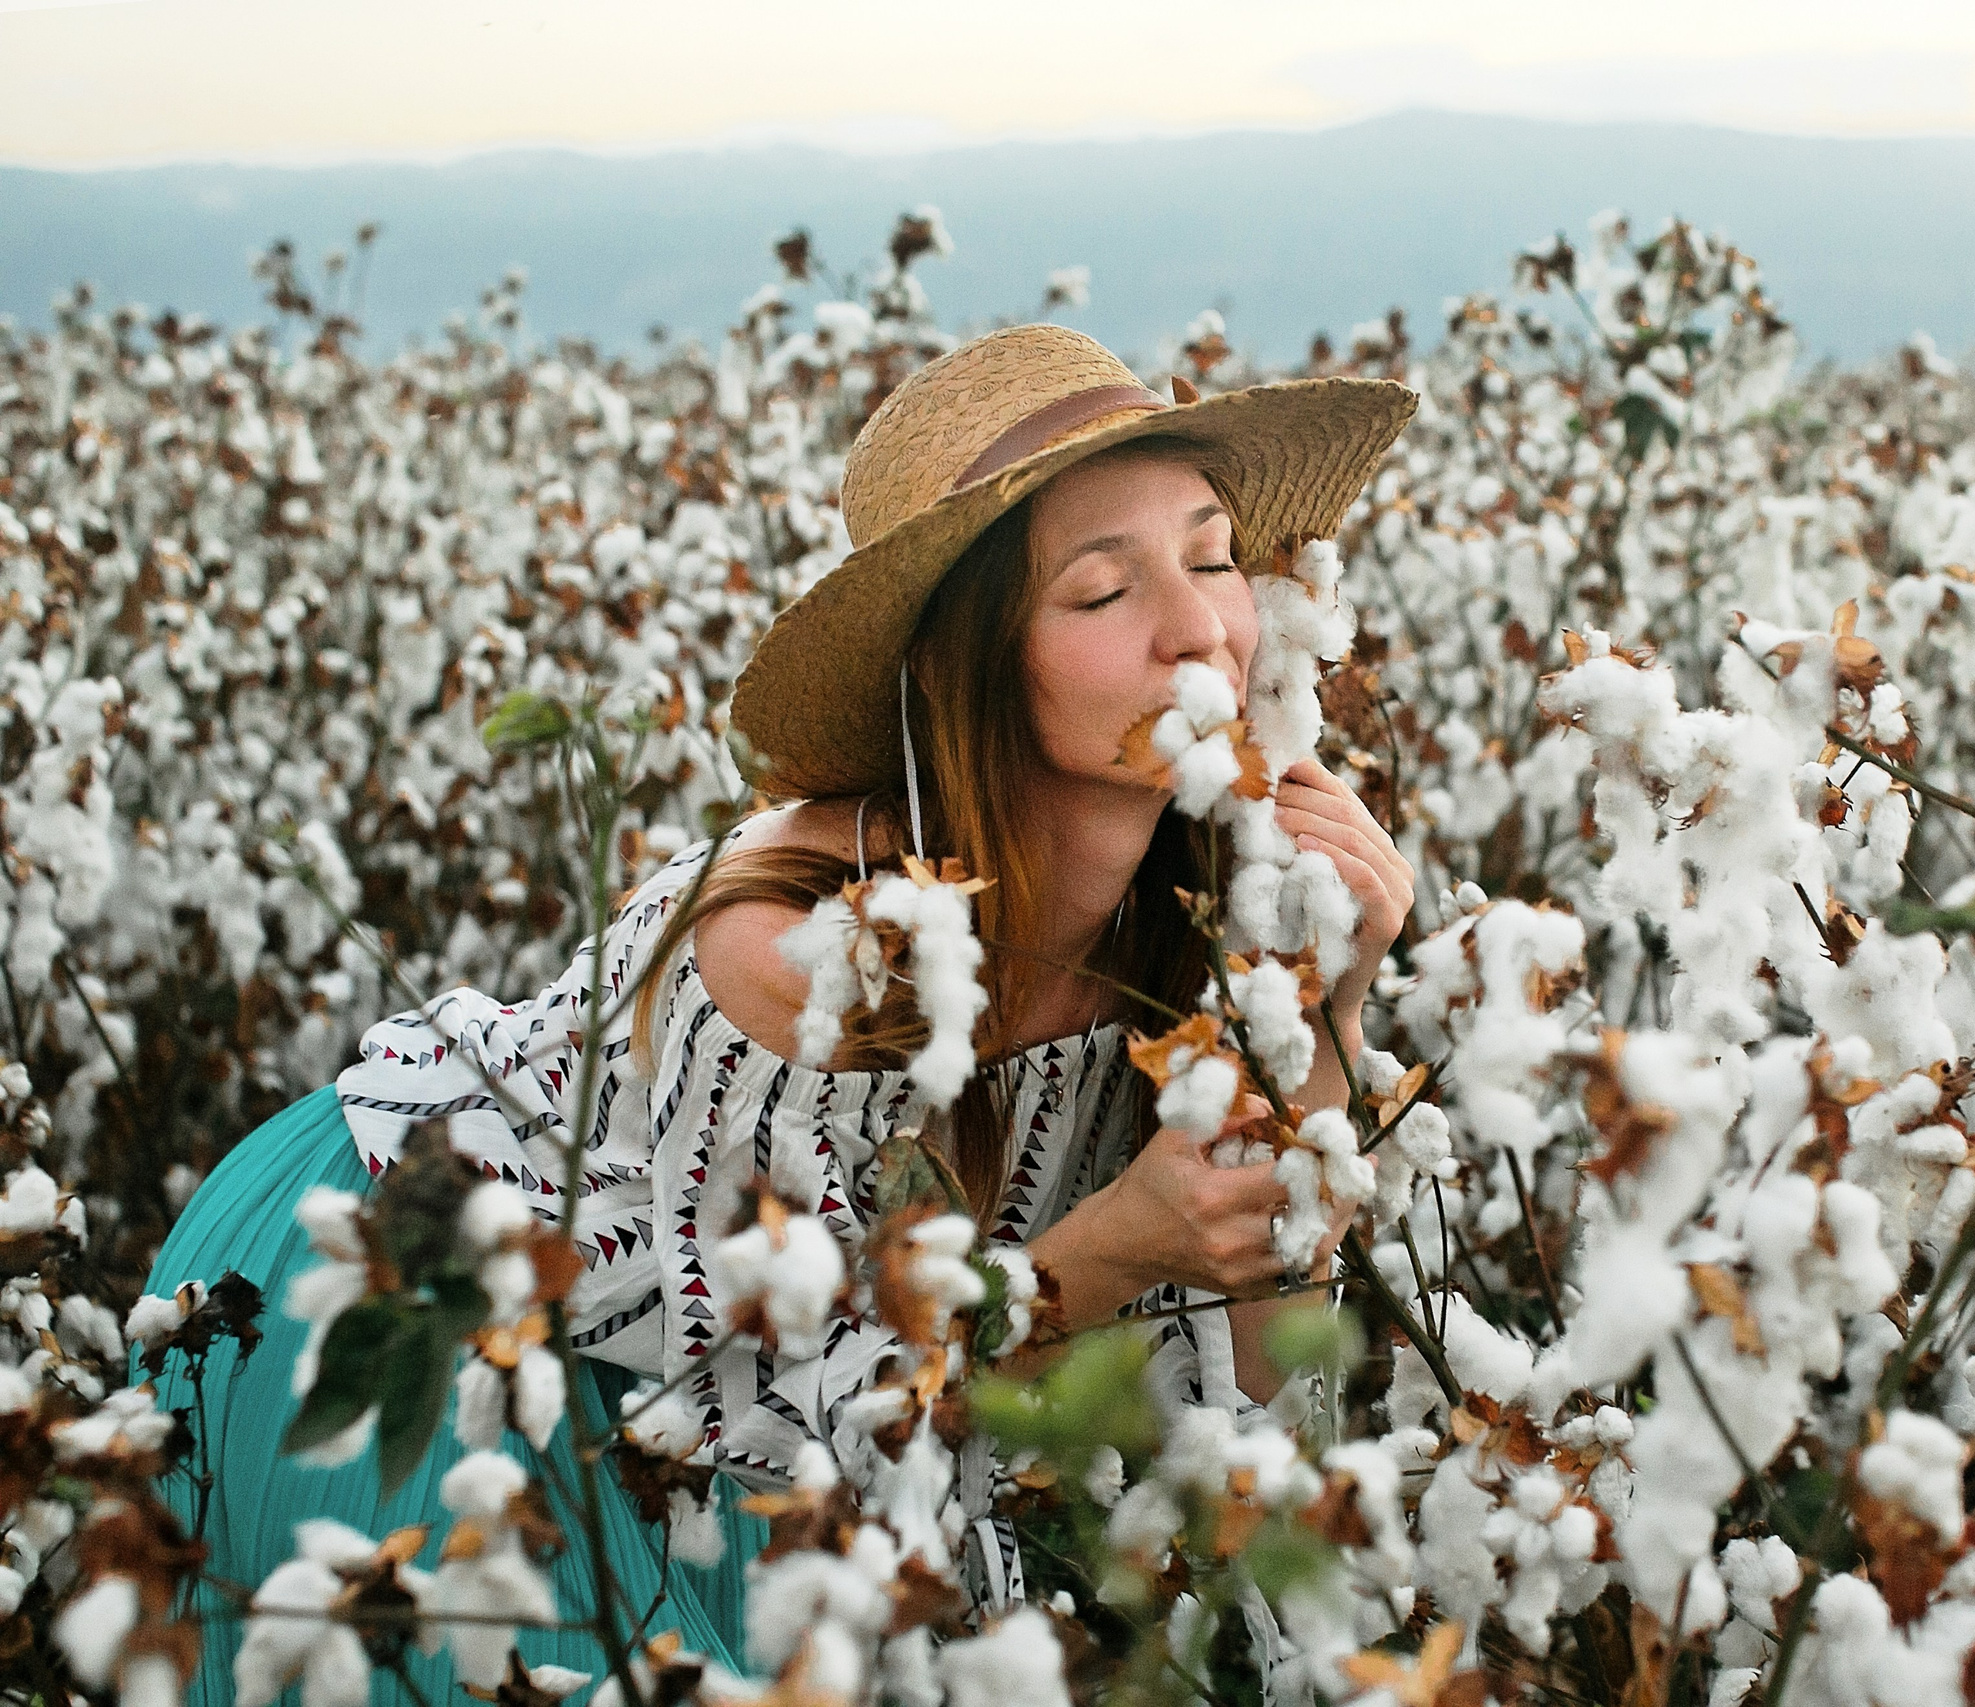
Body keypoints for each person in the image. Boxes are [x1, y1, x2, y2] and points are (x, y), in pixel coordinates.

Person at [144, 323, 1418, 1696]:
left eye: (1215, 555)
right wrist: (1110, 1249)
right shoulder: (807, 959)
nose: (1202, 629)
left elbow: (1260, 1392)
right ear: (973, 671)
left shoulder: (1205, 910)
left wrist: (1326, 1007)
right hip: (442, 1312)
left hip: (795, 1420)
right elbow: (763, 1407)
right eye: (1103, 592)